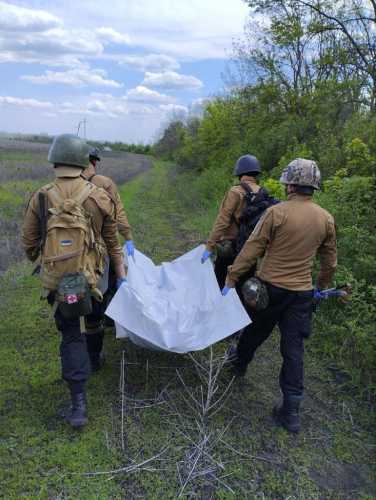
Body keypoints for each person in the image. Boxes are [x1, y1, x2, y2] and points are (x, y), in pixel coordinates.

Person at [221, 159, 337, 433]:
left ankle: (239, 364)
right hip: (302, 294)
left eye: (287, 182)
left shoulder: (277, 213)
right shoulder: (326, 218)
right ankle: (291, 411)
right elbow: (330, 262)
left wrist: (232, 277)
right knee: (293, 349)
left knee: (256, 330)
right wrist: (319, 287)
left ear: (292, 184)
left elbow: (252, 247)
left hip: (271, 288)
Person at [22, 134, 126, 429]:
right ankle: (94, 358)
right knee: (93, 318)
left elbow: (29, 242)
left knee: (70, 334)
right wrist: (120, 270)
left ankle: (78, 405)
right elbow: (112, 241)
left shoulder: (41, 195)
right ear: (83, 161)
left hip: (60, 282)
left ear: (54, 160)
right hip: (91, 277)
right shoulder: (99, 196)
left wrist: (44, 255)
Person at [201, 154, 277, 291]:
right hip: (250, 252)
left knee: (220, 287)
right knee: (243, 292)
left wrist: (210, 245)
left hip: (229, 250)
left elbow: (222, 222)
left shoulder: (235, 192)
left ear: (239, 172)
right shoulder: (262, 194)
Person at [82, 147, 135, 328]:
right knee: (111, 277)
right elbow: (117, 215)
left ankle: (86, 318)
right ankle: (110, 318)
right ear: (94, 162)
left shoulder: (63, 186)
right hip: (101, 246)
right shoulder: (104, 183)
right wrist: (127, 236)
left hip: (73, 249)